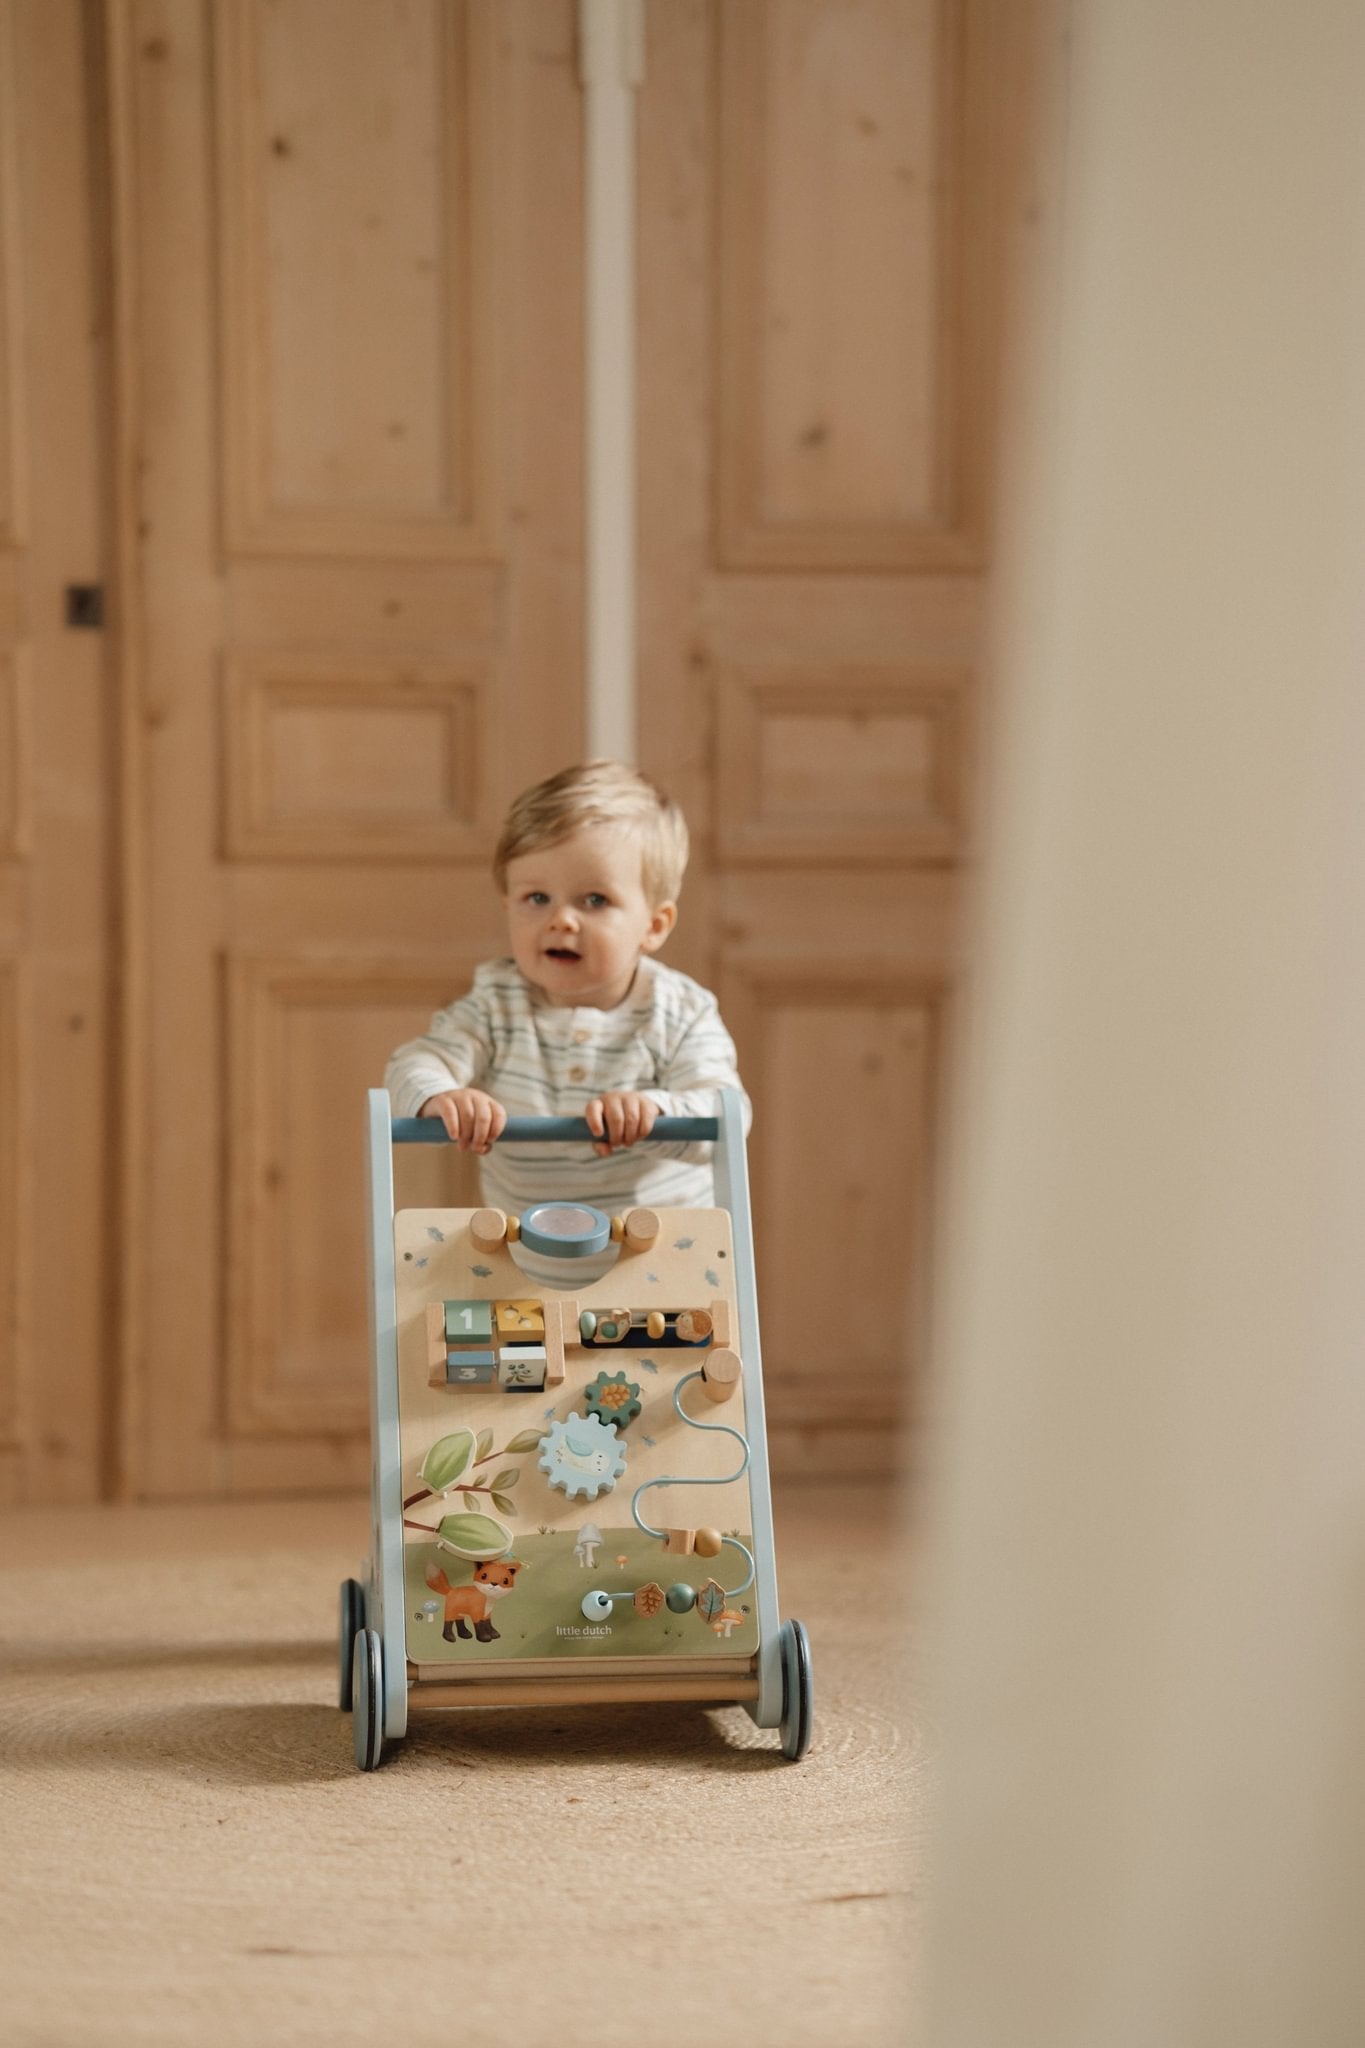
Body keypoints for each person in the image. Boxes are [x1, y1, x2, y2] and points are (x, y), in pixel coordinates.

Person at [384, 760, 749, 1217]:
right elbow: (411, 1064)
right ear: (508, 904)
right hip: (527, 1256)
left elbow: (726, 1111)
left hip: (661, 1262)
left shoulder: (681, 1012)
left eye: (594, 900)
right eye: (537, 898)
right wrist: (442, 1095)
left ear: (654, 925)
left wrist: (652, 1112)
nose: (561, 919)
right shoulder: (495, 1005)